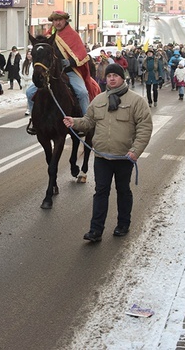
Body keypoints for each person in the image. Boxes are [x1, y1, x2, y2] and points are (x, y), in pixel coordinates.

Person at [62, 62, 153, 242]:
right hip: (102, 156)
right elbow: (89, 122)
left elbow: (145, 128)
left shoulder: (136, 101)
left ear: (122, 78)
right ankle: (96, 230)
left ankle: (123, 224)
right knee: (100, 192)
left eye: (115, 76)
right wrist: (75, 122)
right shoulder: (99, 100)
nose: (111, 78)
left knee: (123, 191)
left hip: (124, 156)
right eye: (109, 76)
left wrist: (135, 151)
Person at [25, 11, 100, 125]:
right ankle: (35, 120)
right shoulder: (48, 36)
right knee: (30, 92)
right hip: (51, 74)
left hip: (69, 72)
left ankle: (86, 122)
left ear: (65, 21)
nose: (58, 23)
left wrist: (69, 62)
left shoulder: (73, 35)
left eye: (60, 20)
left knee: (82, 92)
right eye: (55, 20)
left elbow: (82, 55)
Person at [20, 50, 34, 115]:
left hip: (31, 81)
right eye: (28, 54)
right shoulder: (23, 62)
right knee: (27, 95)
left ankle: (29, 109)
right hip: (25, 81)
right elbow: (20, 71)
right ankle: (28, 108)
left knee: (30, 95)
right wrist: (23, 76)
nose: (29, 56)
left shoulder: (34, 63)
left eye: (30, 54)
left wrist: (29, 78)